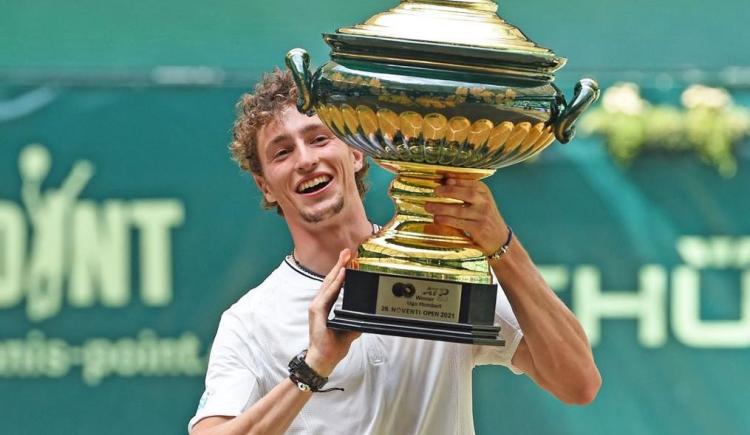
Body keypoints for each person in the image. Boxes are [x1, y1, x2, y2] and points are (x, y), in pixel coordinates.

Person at [189, 69, 601, 435]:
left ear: (355, 152)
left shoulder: (439, 267)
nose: (306, 160)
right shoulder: (251, 321)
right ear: (265, 186)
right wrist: (313, 368)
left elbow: (578, 383)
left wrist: (501, 245)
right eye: (282, 152)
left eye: (319, 138)